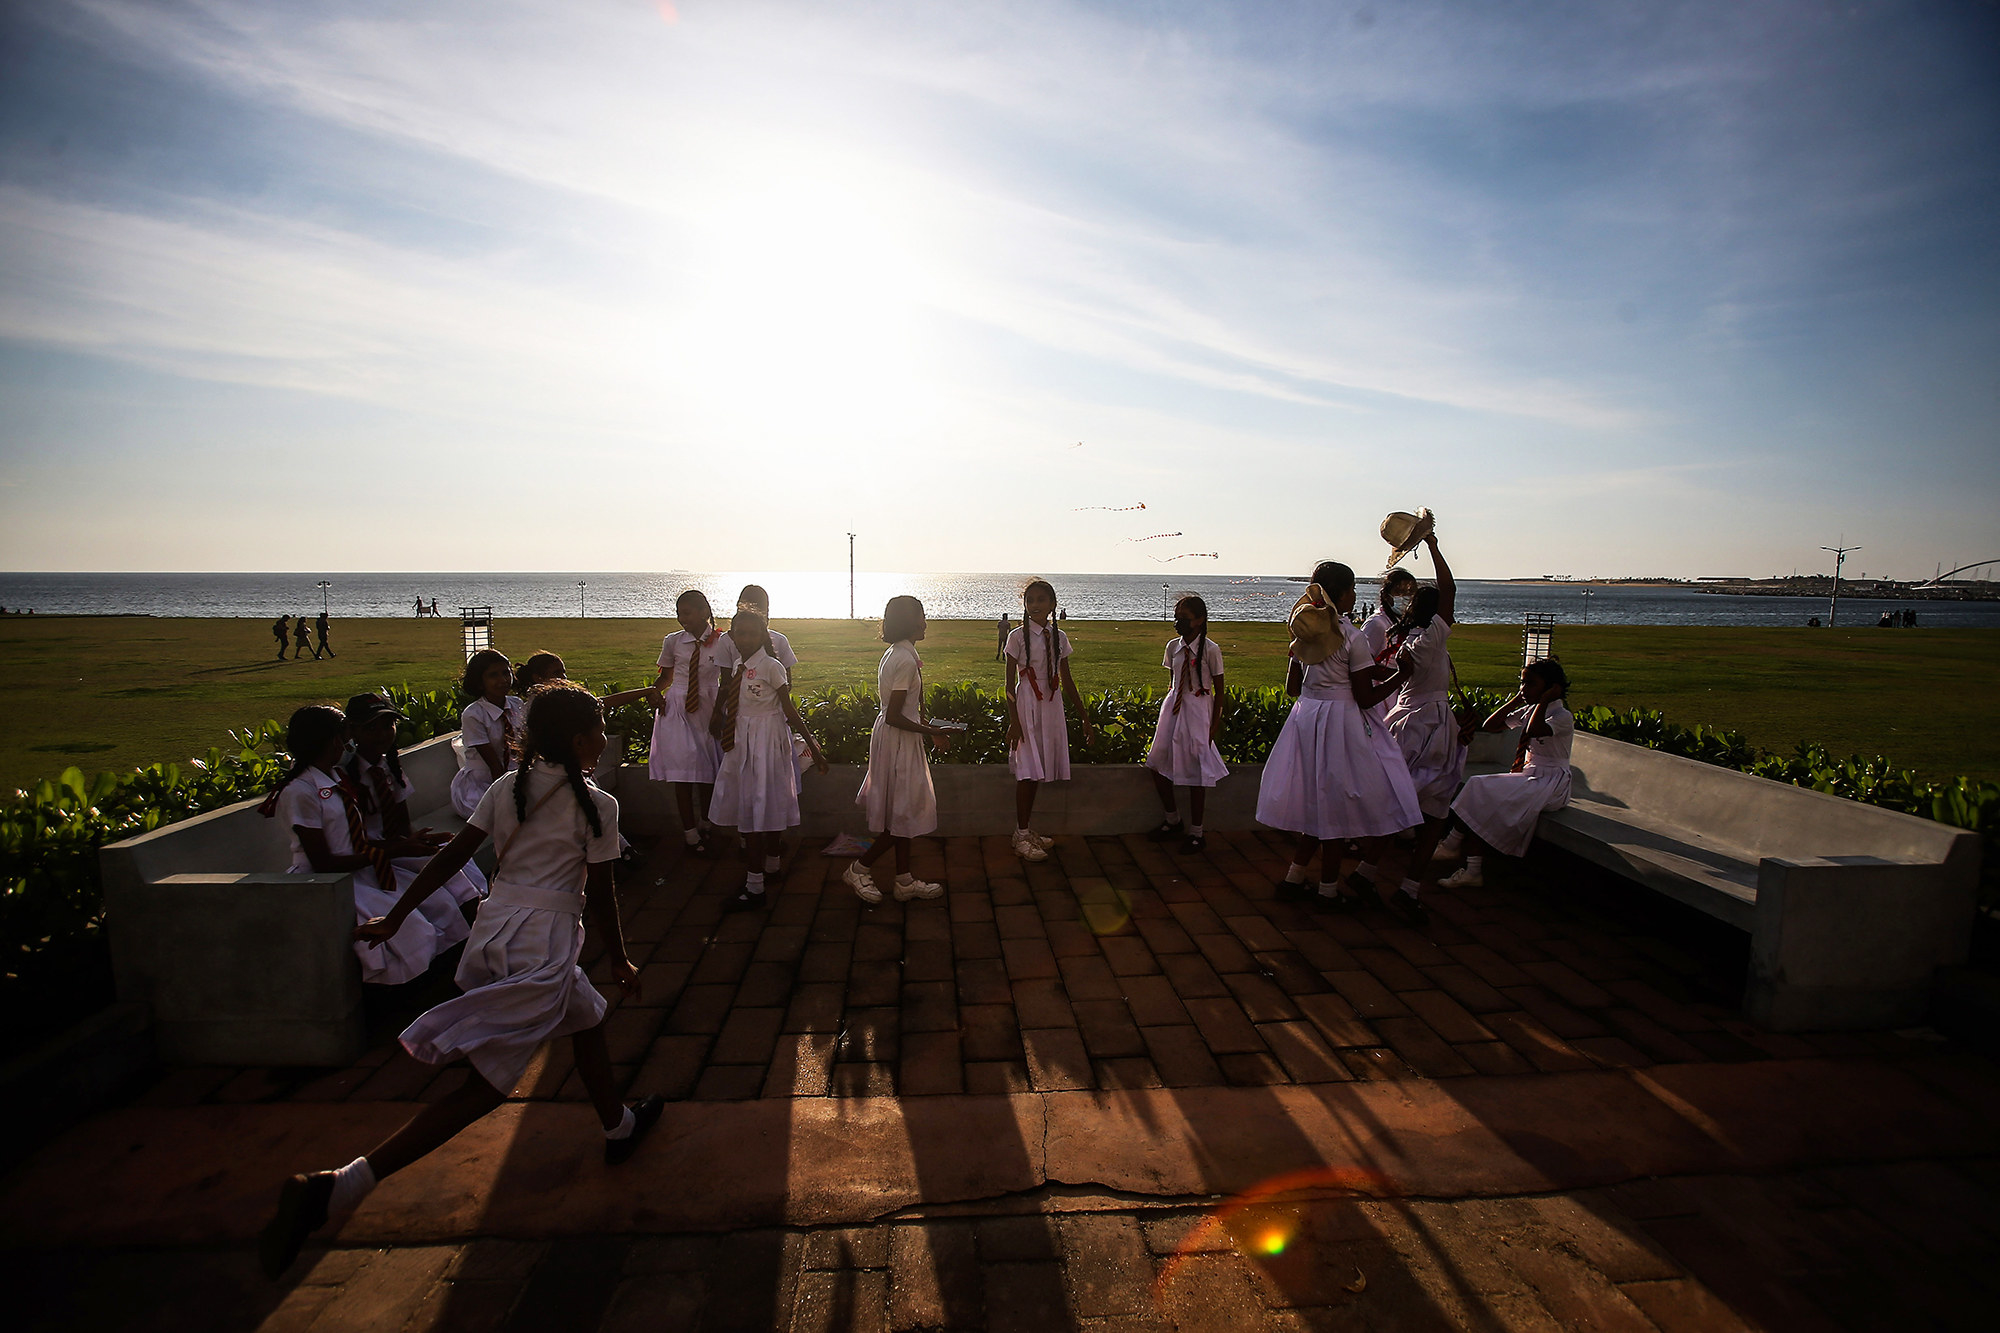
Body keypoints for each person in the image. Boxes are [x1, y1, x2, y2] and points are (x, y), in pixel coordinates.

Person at [259, 683, 665, 1278]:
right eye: (600, 730)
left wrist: (396, 913)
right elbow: (599, 893)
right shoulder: (597, 805)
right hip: (545, 947)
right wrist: (621, 959)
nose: (604, 739)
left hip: (498, 933)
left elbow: (455, 858)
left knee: (587, 1017)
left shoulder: (507, 788)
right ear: (581, 742)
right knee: (483, 1090)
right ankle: (340, 1186)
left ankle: (619, 1125)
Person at [259, 706, 469, 986]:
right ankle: (406, 994)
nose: (347, 746)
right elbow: (324, 862)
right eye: (344, 739)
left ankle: (450, 979)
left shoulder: (335, 780)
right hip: (331, 882)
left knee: (440, 903)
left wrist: (406, 843)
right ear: (333, 741)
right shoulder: (300, 791)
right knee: (411, 929)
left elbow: (352, 838)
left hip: (364, 868)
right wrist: (396, 850)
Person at [1257, 561, 1422, 909]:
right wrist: (1400, 677)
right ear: (1341, 593)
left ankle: (1294, 876)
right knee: (1337, 805)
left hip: (1307, 717)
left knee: (1318, 801)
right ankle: (1328, 890)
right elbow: (1365, 696)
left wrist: (1376, 670)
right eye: (1350, 589)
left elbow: (1292, 686)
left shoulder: (1306, 631)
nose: (1354, 595)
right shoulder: (1351, 634)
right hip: (1341, 723)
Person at [708, 610, 827, 912]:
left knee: (760, 806)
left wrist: (812, 745)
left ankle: (756, 885)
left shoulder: (772, 667)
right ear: (731, 637)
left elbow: (789, 710)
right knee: (752, 805)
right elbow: (734, 700)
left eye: (752, 633)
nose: (745, 639)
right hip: (742, 743)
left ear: (763, 635)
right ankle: (770, 869)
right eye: (740, 634)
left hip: (766, 743)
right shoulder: (737, 665)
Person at [1375, 532, 1460, 922]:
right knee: (1433, 813)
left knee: (1397, 804)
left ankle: (1367, 871)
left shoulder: (1407, 640)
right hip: (1429, 728)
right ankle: (1409, 888)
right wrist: (1432, 545)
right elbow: (1450, 587)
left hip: (1403, 723)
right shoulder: (1431, 640)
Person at [845, 596, 952, 903]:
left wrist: (928, 728)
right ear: (908, 621)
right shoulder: (904, 659)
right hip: (897, 739)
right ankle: (859, 868)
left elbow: (900, 710)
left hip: (895, 736)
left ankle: (904, 880)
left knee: (901, 811)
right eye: (921, 616)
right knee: (903, 812)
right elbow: (895, 715)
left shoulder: (898, 652)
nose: (925, 622)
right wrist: (933, 731)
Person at [341, 693, 488, 915]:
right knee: (444, 890)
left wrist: (419, 840)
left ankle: (481, 920)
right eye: (371, 728)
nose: (381, 734)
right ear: (352, 731)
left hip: (397, 849)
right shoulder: (346, 779)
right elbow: (353, 843)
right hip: (373, 860)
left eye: (387, 725)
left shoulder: (388, 767)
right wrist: (406, 846)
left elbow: (402, 824)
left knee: (458, 864)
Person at [1436, 659, 1573, 889]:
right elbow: (1491, 725)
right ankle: (1470, 867)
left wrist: (1546, 699)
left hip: (1551, 782)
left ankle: (1454, 847)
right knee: (1479, 790)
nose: (1524, 688)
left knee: (1480, 789)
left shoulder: (1561, 716)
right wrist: (1518, 698)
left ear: (1551, 687)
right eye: (1522, 683)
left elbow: (1534, 730)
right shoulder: (1530, 708)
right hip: (1530, 776)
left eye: (1531, 684)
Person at [1003, 579, 1094, 862]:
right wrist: (1014, 720)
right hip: (1028, 702)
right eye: (1030, 600)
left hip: (1051, 704)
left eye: (1041, 599)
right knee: (1027, 771)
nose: (1035, 605)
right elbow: (1007, 684)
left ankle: (1025, 828)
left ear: (1053, 604)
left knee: (1037, 769)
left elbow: (1066, 680)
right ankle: (1019, 833)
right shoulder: (1017, 637)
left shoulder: (1059, 637)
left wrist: (1084, 717)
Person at [1144, 594, 1227, 853]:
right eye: (1177, 617)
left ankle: (1197, 831)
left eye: (1185, 618)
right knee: (1157, 763)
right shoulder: (1173, 647)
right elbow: (1173, 679)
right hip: (1174, 708)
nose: (1179, 623)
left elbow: (1220, 690)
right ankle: (1172, 818)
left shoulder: (1211, 650)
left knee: (1197, 771)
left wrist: (1213, 725)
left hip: (1197, 708)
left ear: (1200, 620)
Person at [650, 590, 729, 857]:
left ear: (705, 612)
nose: (682, 619)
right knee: (682, 772)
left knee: (707, 770)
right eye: (679, 613)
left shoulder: (723, 642)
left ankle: (707, 824)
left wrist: (720, 714)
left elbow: (727, 680)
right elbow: (666, 678)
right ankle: (690, 833)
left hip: (709, 708)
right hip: (678, 709)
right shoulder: (673, 641)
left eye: (687, 613)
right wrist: (654, 693)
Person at [450, 650, 525, 819]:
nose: (503, 680)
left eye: (506, 673)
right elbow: (494, 765)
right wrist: (507, 797)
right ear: (479, 682)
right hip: (484, 782)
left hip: (515, 775)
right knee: (503, 814)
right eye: (493, 675)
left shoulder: (516, 704)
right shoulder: (474, 714)